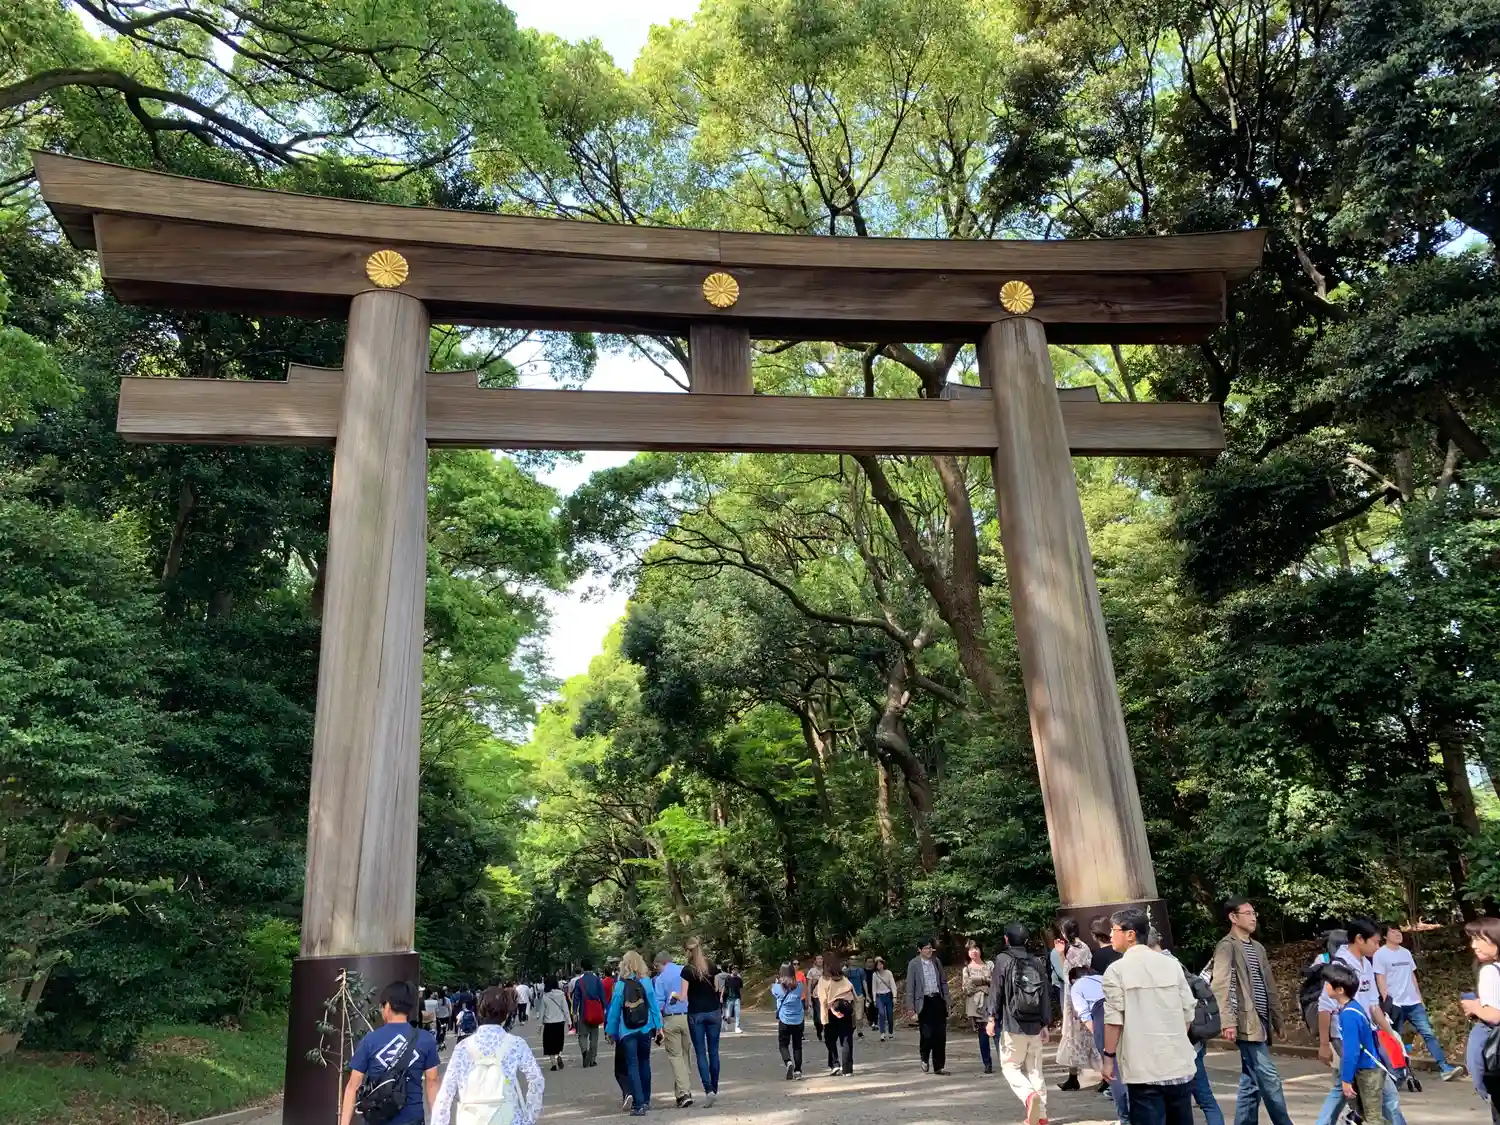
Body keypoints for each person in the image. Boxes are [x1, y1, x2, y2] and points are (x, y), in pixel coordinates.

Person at [1101, 908, 1197, 1125]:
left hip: (1144, 1069)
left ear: (1130, 934)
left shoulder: (1116, 970)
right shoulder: (1171, 964)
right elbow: (1188, 1010)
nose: (1110, 935)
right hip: (1178, 1065)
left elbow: (1114, 1020)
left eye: (1114, 930)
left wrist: (1108, 1058)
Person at [1313, 918, 1408, 1125]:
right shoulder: (1339, 967)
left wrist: (1391, 1035)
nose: (1378, 947)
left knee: (1344, 1087)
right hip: (1345, 1037)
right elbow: (1324, 1007)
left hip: (1366, 1035)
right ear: (1359, 939)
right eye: (1375, 942)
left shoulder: (1366, 964)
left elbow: (1373, 1005)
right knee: (1384, 1093)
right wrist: (1324, 1045)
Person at [1210, 897, 1294, 1125]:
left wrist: (1277, 1021)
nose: (1253, 918)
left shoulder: (1257, 947)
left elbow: (1269, 987)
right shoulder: (1227, 946)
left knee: (1252, 1082)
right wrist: (1228, 1021)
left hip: (1261, 1021)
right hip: (1245, 1023)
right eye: (1247, 913)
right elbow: (1221, 986)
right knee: (1270, 1078)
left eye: (1254, 913)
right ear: (1233, 917)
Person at [430, 985, 545, 1125]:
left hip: (471, 1118)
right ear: (505, 1014)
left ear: (480, 1011)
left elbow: (446, 1091)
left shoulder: (463, 1047)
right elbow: (536, 1079)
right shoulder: (516, 1044)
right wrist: (529, 1117)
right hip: (509, 1117)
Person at [338, 981, 442, 1125]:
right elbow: (432, 1081)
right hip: (412, 1119)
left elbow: (353, 1086)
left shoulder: (370, 1040)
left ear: (387, 1006)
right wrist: (438, 1120)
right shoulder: (425, 1039)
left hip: (378, 1119)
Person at [1374, 922, 1464, 1081]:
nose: (1398, 934)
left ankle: (1444, 1068)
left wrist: (1419, 997)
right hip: (1395, 1004)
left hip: (1413, 1002)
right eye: (1393, 931)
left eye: (1399, 931)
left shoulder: (1406, 953)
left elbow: (1412, 976)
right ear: (1385, 936)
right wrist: (1386, 1001)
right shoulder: (1380, 955)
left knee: (1428, 1033)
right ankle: (1398, 1072)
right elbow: (1380, 978)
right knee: (1395, 1038)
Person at [988, 923, 1053, 1125]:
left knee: (1011, 1067)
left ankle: (1028, 1095)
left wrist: (991, 1018)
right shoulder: (1036, 962)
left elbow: (996, 990)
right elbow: (1044, 994)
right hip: (1035, 1026)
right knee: (1035, 1070)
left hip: (1013, 1024)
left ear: (1006, 939)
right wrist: (1045, 1023)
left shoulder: (1003, 960)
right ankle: (1041, 1116)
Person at [1324, 961, 1387, 1125]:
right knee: (1368, 1116)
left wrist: (1346, 1080)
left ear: (1340, 990)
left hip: (1368, 1071)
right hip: (1368, 1069)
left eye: (1328, 983)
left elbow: (1351, 1051)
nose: (1325, 986)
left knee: (1373, 1119)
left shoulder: (1349, 1015)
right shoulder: (1353, 1007)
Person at [608, 950, 663, 1117]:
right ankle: (645, 1100)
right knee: (645, 1063)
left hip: (627, 1030)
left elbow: (614, 1011)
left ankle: (638, 1104)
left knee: (632, 1065)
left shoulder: (620, 985)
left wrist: (611, 1031)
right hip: (645, 1028)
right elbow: (653, 1005)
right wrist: (659, 1026)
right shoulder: (646, 982)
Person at [1071, 965, 1125, 1122]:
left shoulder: (1077, 986)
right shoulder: (1103, 978)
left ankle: (1125, 1117)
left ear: (1073, 979)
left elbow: (1085, 1015)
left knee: (1113, 1068)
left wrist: (1100, 1037)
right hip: (1123, 1012)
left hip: (1102, 1015)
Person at [1460, 917, 1500, 1118]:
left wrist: (1474, 1007)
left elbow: (1494, 1016)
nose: (1473, 945)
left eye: (1478, 939)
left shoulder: (1490, 971)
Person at [1057, 918, 1100, 1091]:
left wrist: (1061, 954)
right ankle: (1074, 1076)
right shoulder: (1084, 947)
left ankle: (1078, 1076)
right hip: (1084, 994)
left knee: (1077, 1036)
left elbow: (1068, 974)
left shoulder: (1074, 950)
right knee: (1084, 1036)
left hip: (1075, 995)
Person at [681, 937, 724, 1107]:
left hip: (696, 1013)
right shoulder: (711, 965)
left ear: (687, 951)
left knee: (700, 1053)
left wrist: (674, 996)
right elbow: (716, 987)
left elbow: (683, 996)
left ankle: (708, 1090)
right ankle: (715, 1088)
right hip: (713, 1011)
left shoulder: (687, 970)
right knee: (713, 1051)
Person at [653, 949, 696, 1107]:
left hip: (670, 1019)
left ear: (662, 963)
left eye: (656, 966)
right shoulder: (685, 971)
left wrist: (658, 1027)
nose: (656, 970)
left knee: (675, 1057)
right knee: (686, 1055)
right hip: (689, 1016)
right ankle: (682, 1093)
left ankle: (684, 1093)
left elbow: (658, 1004)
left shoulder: (660, 979)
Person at [906, 937, 949, 1075]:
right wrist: (911, 1009)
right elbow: (910, 987)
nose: (929, 950)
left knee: (940, 1034)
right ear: (919, 950)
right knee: (927, 1034)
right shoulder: (914, 964)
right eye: (926, 948)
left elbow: (943, 982)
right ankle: (924, 1056)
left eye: (930, 948)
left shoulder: (936, 962)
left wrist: (946, 1000)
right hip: (924, 1002)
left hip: (937, 999)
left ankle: (939, 1066)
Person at [818, 954, 858, 1075]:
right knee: (846, 1040)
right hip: (846, 1010)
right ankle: (847, 1069)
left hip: (831, 1012)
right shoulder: (844, 978)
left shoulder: (824, 980)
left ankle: (835, 1064)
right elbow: (853, 994)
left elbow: (823, 1000)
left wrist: (826, 1015)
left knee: (830, 1039)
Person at [962, 939, 995, 1074]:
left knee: (997, 1032)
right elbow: (966, 988)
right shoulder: (967, 969)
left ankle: (1006, 1061)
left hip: (992, 1003)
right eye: (970, 949)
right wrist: (984, 984)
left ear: (980, 950)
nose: (973, 951)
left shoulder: (989, 965)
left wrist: (978, 981)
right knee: (983, 1035)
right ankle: (987, 1063)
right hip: (977, 1006)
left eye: (976, 948)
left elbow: (995, 983)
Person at [772, 962, 806, 1080]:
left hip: (784, 1019)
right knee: (797, 1046)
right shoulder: (799, 985)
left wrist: (777, 982)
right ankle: (798, 1070)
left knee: (783, 1044)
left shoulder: (777, 987)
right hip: (798, 1019)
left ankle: (788, 1062)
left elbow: (775, 993)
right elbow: (801, 995)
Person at [574, 960, 607, 1068]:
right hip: (595, 1012)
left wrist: (574, 1012)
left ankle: (584, 1052)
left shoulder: (579, 982)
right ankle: (592, 1059)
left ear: (582, 968)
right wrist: (605, 1008)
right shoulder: (597, 980)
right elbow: (602, 996)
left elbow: (576, 998)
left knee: (582, 1035)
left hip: (584, 1012)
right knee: (594, 1036)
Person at [539, 975, 570, 1072]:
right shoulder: (561, 994)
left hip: (549, 1023)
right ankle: (559, 1055)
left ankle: (553, 1064)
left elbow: (542, 1012)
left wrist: (539, 1025)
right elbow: (565, 1008)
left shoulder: (545, 996)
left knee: (549, 1044)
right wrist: (569, 1021)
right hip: (560, 1022)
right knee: (559, 1041)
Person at [872, 956, 897, 1040]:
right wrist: (874, 1000)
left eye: (881, 964)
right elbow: (874, 988)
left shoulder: (888, 973)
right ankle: (882, 1033)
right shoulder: (875, 975)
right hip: (879, 996)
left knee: (890, 1015)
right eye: (877, 964)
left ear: (883, 964)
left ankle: (890, 1032)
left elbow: (893, 985)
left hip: (888, 995)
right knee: (881, 1014)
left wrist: (894, 996)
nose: (879, 966)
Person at [845, 957, 867, 1040]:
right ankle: (852, 1027)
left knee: (859, 1015)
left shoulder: (860, 971)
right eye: (851, 959)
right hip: (848, 996)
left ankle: (860, 1031)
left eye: (854, 959)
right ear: (848, 961)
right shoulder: (845, 972)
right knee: (851, 1014)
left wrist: (867, 994)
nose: (853, 960)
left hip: (859, 994)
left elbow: (864, 982)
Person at [807, 953, 826, 1043]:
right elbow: (809, 986)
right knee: (818, 1018)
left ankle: (825, 1033)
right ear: (815, 961)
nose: (820, 960)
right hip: (816, 997)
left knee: (825, 1016)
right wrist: (809, 1000)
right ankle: (819, 1029)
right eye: (818, 959)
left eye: (821, 959)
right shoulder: (811, 971)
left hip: (826, 996)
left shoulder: (826, 970)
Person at [722, 966, 744, 1035]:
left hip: (737, 998)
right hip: (729, 998)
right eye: (734, 970)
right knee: (728, 1015)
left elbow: (741, 989)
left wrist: (741, 997)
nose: (736, 971)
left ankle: (737, 1027)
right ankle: (726, 1018)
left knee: (737, 1013)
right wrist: (721, 997)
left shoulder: (739, 979)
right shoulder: (728, 978)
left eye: (737, 970)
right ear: (731, 971)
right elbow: (724, 987)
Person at [863, 957, 879, 1030]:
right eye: (868, 962)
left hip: (875, 992)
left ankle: (875, 1022)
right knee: (867, 1008)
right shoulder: (863, 972)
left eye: (871, 962)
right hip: (865, 992)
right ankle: (870, 1020)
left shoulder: (876, 972)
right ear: (865, 963)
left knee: (875, 1007)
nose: (870, 963)